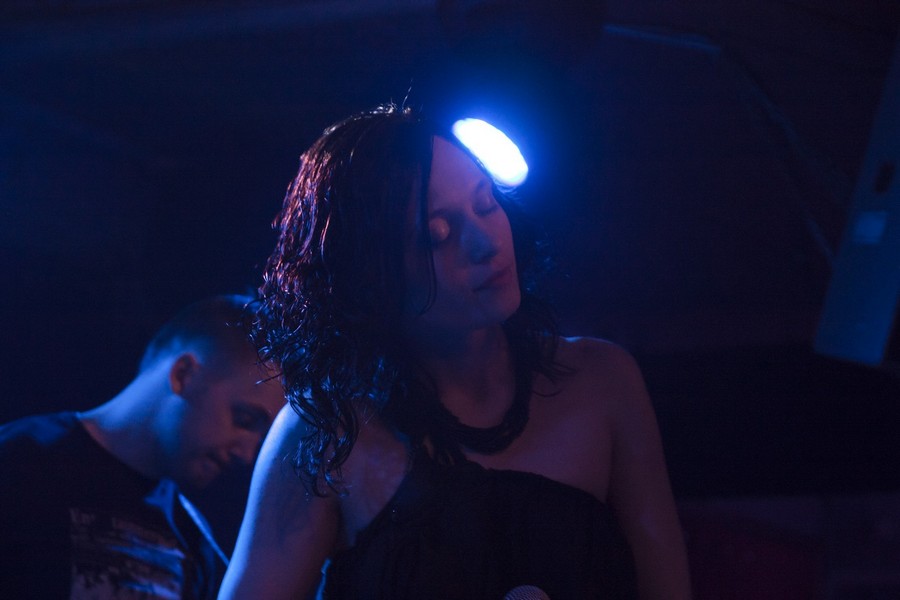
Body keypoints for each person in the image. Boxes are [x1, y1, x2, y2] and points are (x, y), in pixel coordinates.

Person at [218, 105, 692, 599]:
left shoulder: (603, 380)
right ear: (371, 276)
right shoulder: (326, 430)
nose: (486, 243)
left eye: (486, 204)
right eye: (436, 236)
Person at [0, 294, 285, 599]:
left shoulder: (195, 541)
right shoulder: (18, 462)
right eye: (244, 419)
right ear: (183, 374)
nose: (247, 455)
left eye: (261, 438)